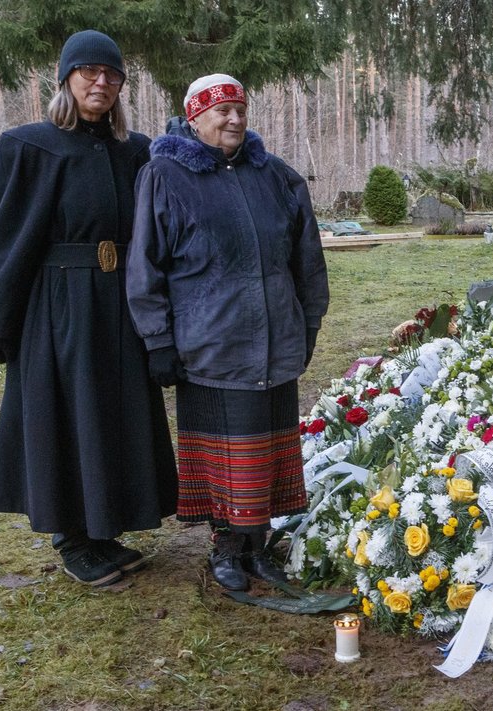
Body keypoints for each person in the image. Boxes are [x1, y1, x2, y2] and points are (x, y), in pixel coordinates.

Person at [0, 30, 178, 587]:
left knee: (114, 412)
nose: (101, 82)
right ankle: (72, 537)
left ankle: (105, 526)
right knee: (69, 410)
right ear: (65, 78)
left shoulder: (135, 150)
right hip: (59, 304)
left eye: (112, 75)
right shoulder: (29, 145)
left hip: (121, 299)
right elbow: (11, 237)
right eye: (88, 71)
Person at [127, 74, 329, 592]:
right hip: (211, 344)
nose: (234, 119)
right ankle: (225, 547)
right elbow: (145, 266)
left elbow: (308, 261)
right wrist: (159, 340)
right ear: (194, 119)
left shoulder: (277, 177)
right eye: (221, 112)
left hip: (276, 341)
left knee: (269, 449)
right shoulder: (166, 177)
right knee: (226, 451)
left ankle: (258, 546)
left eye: (240, 109)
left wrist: (306, 323)